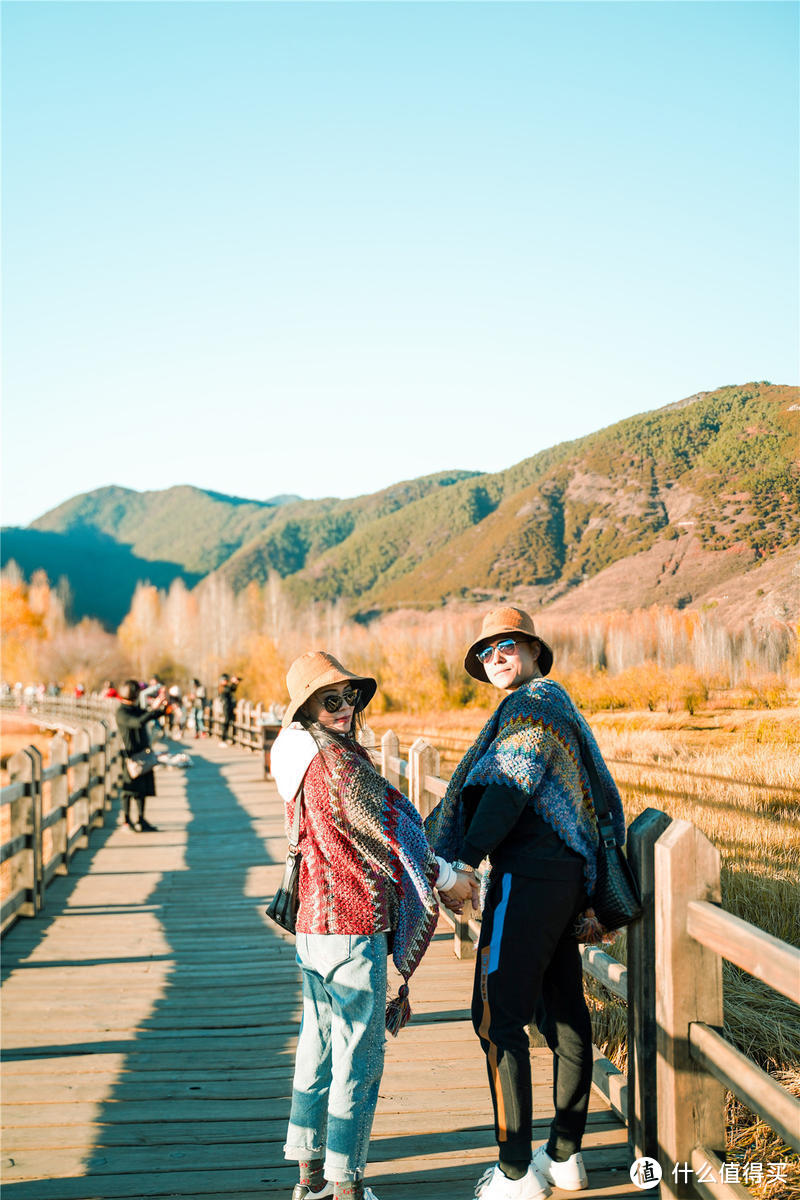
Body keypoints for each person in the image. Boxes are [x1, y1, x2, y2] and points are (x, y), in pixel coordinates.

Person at [424, 607, 627, 1200]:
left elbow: (508, 789)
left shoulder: (532, 706)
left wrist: (463, 861)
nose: (496, 658)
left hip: (527, 881)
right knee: (564, 1014)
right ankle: (564, 1157)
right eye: (486, 654)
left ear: (534, 649)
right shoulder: (553, 703)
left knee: (496, 1019)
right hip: (562, 881)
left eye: (506, 646)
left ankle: (515, 1174)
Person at [271, 651, 477, 1200]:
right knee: (358, 1058)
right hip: (350, 924)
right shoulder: (338, 764)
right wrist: (446, 876)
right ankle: (346, 1184)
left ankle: (309, 1178)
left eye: (350, 697)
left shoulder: (298, 758)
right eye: (329, 700)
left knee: (316, 1048)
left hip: (313, 928)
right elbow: (391, 828)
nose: (343, 709)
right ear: (307, 709)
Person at [115, 679, 168, 832]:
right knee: (129, 790)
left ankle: (141, 819)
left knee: (142, 790)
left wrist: (161, 705)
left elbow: (149, 715)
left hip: (143, 754)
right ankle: (126, 821)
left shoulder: (133, 708)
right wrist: (152, 709)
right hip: (130, 755)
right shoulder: (122, 712)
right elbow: (137, 722)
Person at [218, 673, 239, 744]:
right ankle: (223, 739)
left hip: (228, 707)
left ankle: (227, 738)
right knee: (225, 722)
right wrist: (233, 682)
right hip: (225, 707)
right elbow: (229, 690)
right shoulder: (222, 688)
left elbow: (233, 689)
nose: (226, 681)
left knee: (229, 722)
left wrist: (235, 683)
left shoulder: (225, 687)